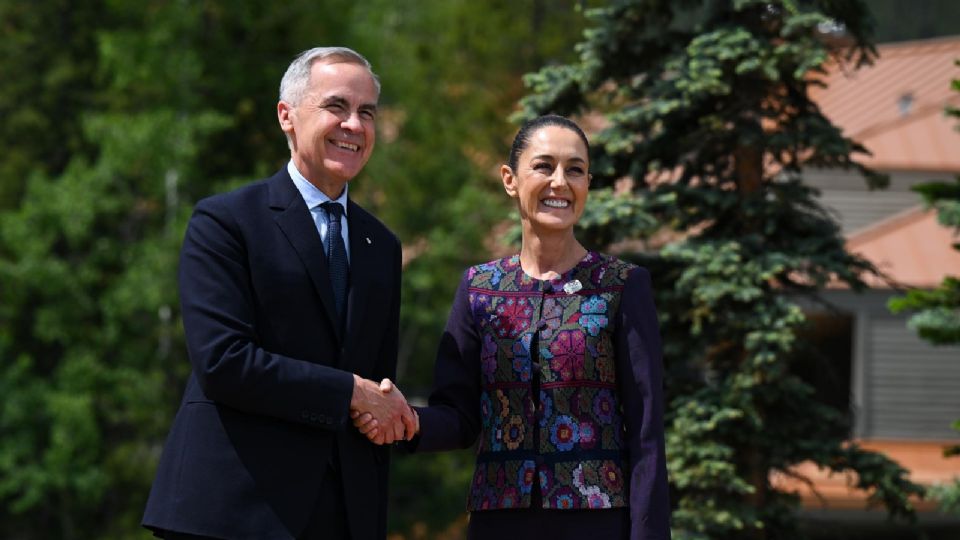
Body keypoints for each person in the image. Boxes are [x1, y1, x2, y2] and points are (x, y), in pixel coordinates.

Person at [142, 46, 416, 540]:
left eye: (367, 112)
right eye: (336, 106)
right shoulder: (226, 221)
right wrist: (348, 392)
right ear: (286, 116)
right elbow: (224, 362)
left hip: (342, 515)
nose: (354, 124)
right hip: (233, 511)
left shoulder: (382, 246)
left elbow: (375, 388)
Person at [355, 115, 671, 539]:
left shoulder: (622, 285)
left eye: (575, 170)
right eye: (544, 166)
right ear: (510, 179)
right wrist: (405, 420)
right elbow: (459, 416)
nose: (560, 182)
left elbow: (646, 432)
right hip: (498, 520)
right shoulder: (479, 288)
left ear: (588, 184)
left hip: (596, 522)